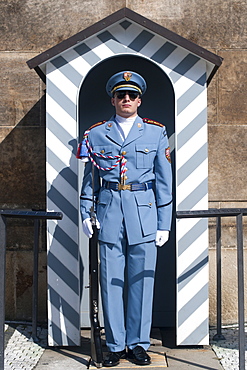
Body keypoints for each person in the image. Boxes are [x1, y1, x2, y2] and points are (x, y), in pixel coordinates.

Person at [77, 71, 172, 367]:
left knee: (142, 281)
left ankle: (138, 344)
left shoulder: (156, 132)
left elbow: (164, 182)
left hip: (144, 215)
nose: (126, 99)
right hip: (108, 214)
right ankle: (115, 344)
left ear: (139, 99)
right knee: (111, 281)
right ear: (113, 100)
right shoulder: (95, 134)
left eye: (131, 95)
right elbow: (89, 180)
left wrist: (164, 222)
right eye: (121, 95)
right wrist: (86, 212)